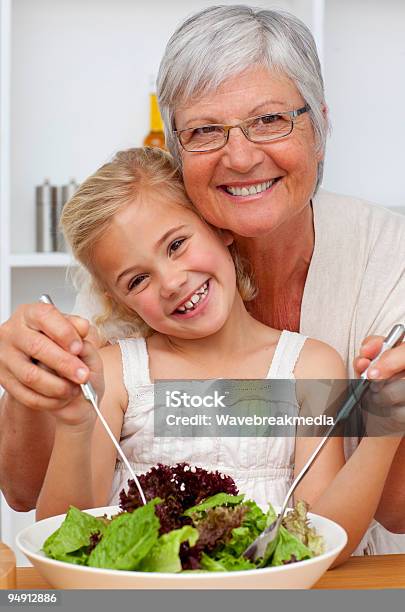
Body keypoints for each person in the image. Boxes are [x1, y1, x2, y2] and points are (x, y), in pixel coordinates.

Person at [0, 5, 405, 553]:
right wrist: (52, 405)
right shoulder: (118, 367)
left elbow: (323, 536)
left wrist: (385, 419)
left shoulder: (316, 357)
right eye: (206, 130)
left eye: (269, 119)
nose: (240, 157)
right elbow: (54, 528)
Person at [34, 146, 400, 569]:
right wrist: (75, 425)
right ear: (119, 301)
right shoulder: (115, 375)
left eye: (176, 245)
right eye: (137, 280)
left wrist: (385, 427)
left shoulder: (310, 365)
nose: (171, 282)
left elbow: (320, 540)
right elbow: (63, 539)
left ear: (218, 228)